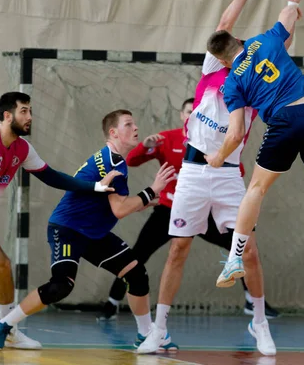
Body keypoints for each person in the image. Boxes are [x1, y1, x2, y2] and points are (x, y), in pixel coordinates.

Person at [137, 0, 279, 356]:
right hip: (195, 173)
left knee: (247, 250)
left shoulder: (253, 87)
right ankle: (158, 329)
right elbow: (223, 22)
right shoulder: (213, 69)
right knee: (178, 248)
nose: (234, 46)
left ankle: (260, 324)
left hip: (229, 175)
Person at [0, 109, 176, 351]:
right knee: (61, 285)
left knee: (136, 273)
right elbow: (119, 209)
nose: (135, 128)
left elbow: (118, 205)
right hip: (67, 229)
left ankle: (145, 334)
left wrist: (142, 201)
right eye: (128, 124)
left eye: (135, 124)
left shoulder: (113, 159)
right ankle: (4, 326)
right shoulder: (112, 162)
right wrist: (151, 190)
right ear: (113, 132)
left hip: (92, 232)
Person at [205, 0, 304, 292]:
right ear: (238, 39)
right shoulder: (264, 41)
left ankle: (234, 259)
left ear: (224, 62)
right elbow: (287, 20)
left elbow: (236, 132)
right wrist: (292, 1)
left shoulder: (231, 83)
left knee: (255, 189)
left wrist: (218, 156)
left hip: (284, 121)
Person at [97, 98, 279, 321]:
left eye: (196, 110)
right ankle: (112, 302)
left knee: (240, 247)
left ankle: (253, 302)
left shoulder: (217, 142)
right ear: (183, 116)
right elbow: (133, 161)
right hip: (169, 210)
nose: (193, 114)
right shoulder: (167, 138)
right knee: (139, 253)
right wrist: (145, 146)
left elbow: (234, 168)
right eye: (189, 111)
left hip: (205, 210)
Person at [0, 92, 118, 350]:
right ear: (7, 115)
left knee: (2, 266)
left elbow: (51, 176)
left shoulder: (22, 148)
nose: (30, 117)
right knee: (1, 264)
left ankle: (8, 330)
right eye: (24, 111)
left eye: (30, 111)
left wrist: (94, 187)